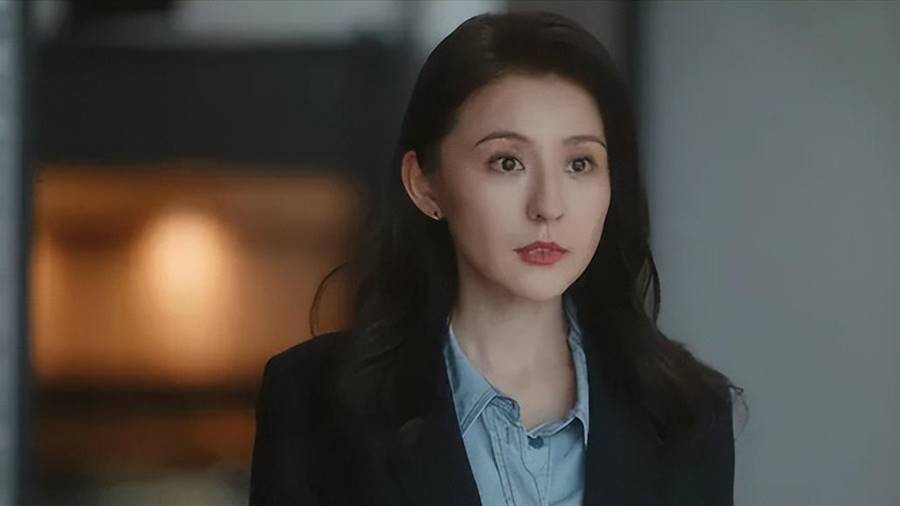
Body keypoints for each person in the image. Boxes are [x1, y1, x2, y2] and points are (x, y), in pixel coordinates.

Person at [250, 10, 745, 506]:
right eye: (507, 162)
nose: (548, 206)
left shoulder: (688, 414)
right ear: (424, 184)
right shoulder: (315, 404)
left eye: (579, 164)